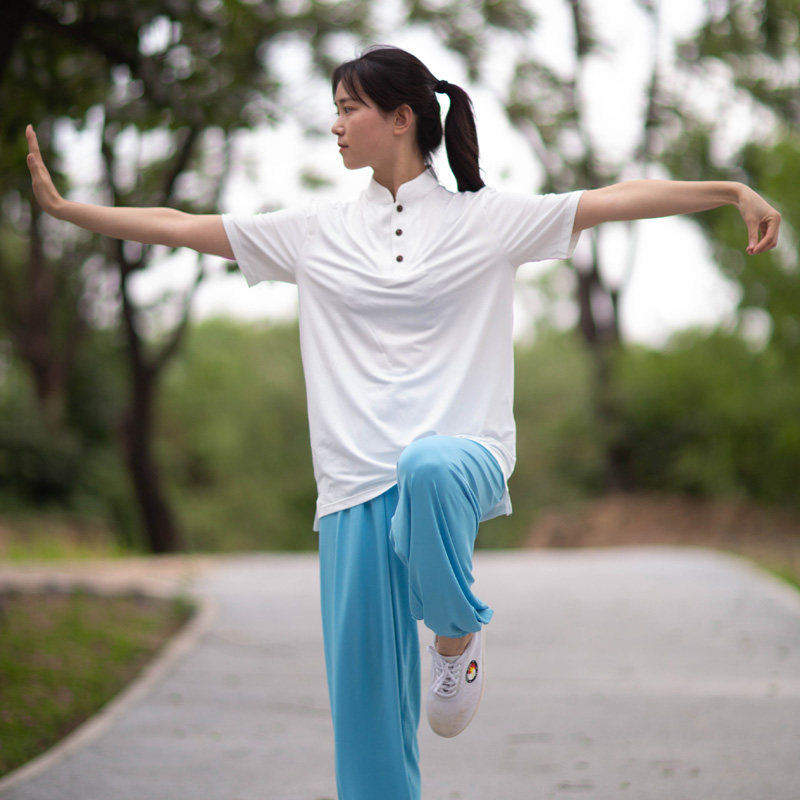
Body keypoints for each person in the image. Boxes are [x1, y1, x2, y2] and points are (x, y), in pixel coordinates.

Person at [26, 44, 780, 800]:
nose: (335, 125)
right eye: (334, 109)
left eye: (349, 108)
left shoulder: (488, 221)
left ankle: (455, 634)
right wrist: (67, 211)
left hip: (463, 462)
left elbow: (615, 198)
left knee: (426, 463)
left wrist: (728, 191)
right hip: (352, 489)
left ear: (401, 118)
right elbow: (180, 224)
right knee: (369, 734)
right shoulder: (313, 232)